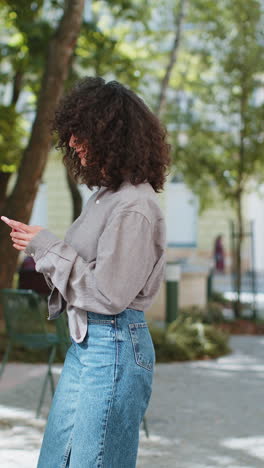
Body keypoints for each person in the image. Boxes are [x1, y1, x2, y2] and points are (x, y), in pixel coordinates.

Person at [1, 76, 171, 468]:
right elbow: (81, 277)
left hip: (112, 345)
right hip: (88, 346)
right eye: (72, 135)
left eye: (82, 134)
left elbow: (109, 294)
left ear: (113, 136)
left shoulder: (134, 207)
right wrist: (40, 246)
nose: (74, 144)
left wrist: (47, 247)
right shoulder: (104, 198)